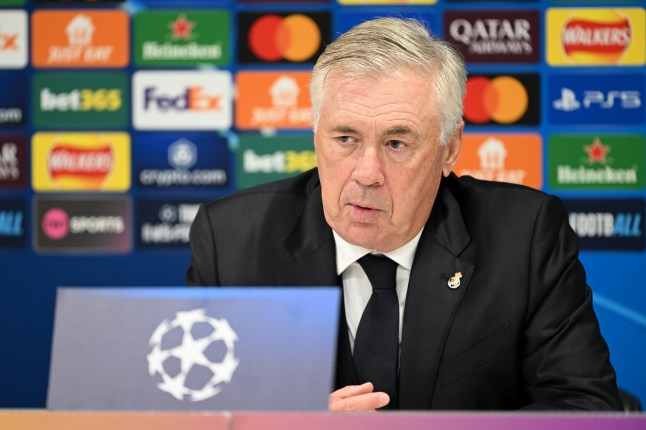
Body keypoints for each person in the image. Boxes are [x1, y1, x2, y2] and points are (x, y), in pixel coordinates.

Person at [187, 17, 622, 411]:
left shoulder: (524, 235)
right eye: (345, 138)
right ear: (316, 137)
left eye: (397, 144)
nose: (367, 173)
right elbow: (193, 412)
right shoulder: (230, 239)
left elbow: (584, 405)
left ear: (449, 148)